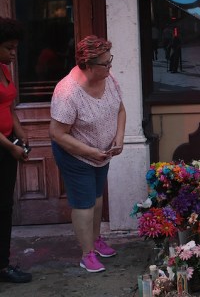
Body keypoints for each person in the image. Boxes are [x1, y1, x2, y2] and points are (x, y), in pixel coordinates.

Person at [49, 35, 126, 273]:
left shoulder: (108, 79)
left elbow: (121, 110)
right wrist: (91, 151)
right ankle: (87, 254)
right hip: (76, 155)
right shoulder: (68, 92)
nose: (110, 65)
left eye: (109, 59)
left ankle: (95, 240)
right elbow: (57, 133)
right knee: (84, 203)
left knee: (97, 197)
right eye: (105, 62)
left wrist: (119, 137)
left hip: (102, 153)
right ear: (89, 65)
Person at [0, 17, 32, 283]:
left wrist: (20, 135)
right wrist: (10, 147)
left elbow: (9, 107)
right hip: (2, 147)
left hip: (8, 144)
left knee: (4, 207)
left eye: (16, 47)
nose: (13, 53)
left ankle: (3, 264)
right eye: (9, 47)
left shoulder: (6, 71)